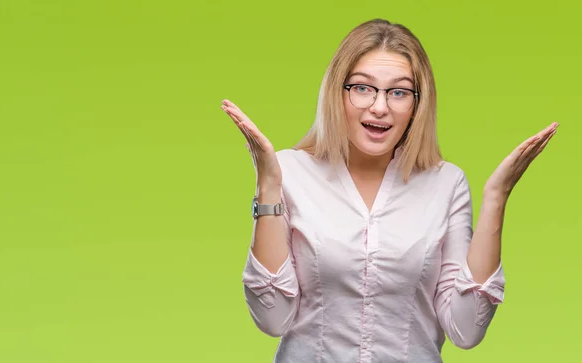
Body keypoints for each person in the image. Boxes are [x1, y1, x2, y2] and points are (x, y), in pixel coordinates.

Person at [221, 18, 558, 363]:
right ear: (337, 92)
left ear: (416, 105)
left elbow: (466, 330)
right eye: (363, 88)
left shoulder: (447, 184)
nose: (380, 107)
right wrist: (268, 185)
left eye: (398, 92)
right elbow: (272, 318)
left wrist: (497, 197)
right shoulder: (289, 173)